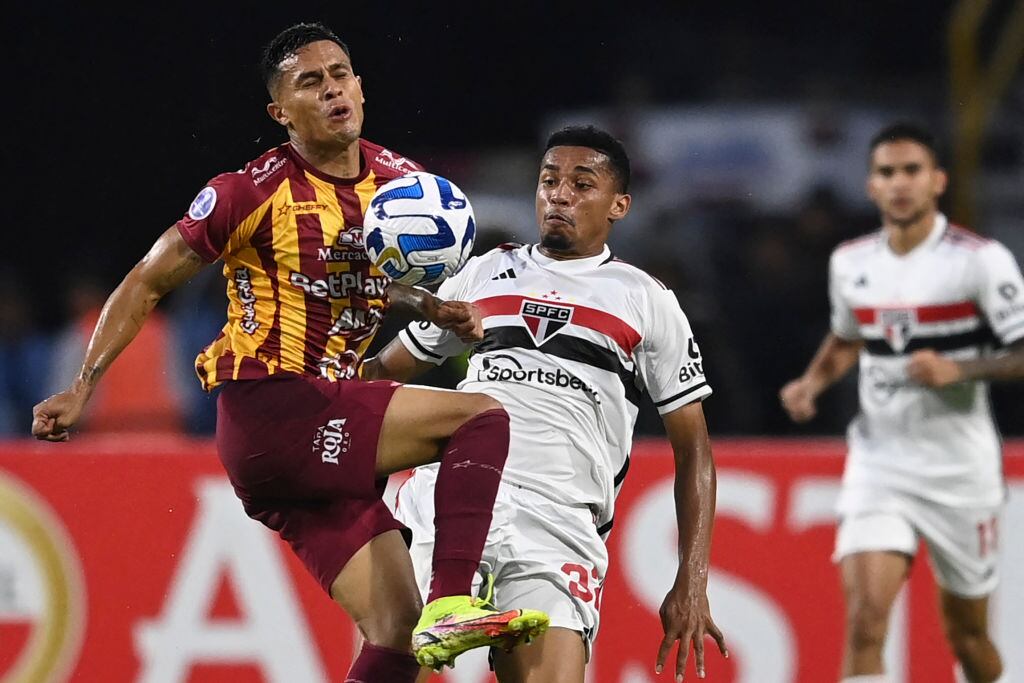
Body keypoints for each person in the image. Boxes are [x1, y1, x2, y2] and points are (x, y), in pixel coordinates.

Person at [30, 22, 547, 679]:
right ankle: (454, 601)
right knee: (480, 417)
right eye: (312, 82)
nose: (333, 89)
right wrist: (84, 382)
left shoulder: (399, 184)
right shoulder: (248, 192)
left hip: (316, 430)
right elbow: (148, 278)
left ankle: (433, 612)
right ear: (281, 112)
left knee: (394, 633)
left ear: (360, 85)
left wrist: (430, 304)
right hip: (274, 407)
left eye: (340, 74)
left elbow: (374, 273)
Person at [365, 125, 728, 682]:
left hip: (560, 523)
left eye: (582, 184)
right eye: (549, 180)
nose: (559, 194)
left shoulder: (646, 300)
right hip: (455, 499)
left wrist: (692, 579)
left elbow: (694, 450)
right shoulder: (479, 274)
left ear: (619, 205)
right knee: (392, 660)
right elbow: (378, 377)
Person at [780, 122, 1024, 683]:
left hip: (961, 473)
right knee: (866, 620)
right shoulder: (851, 262)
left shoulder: (979, 261)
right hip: (879, 464)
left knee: (968, 637)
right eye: (887, 173)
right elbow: (849, 337)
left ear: (938, 180)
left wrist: (959, 368)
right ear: (871, 186)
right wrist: (813, 382)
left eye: (912, 170)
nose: (900, 184)